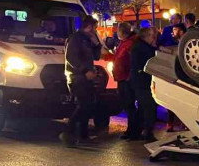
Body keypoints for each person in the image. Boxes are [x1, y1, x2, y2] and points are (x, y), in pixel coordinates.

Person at [60, 15, 102, 146]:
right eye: (95, 28)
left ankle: (83, 135)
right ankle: (68, 133)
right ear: (89, 27)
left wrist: (97, 44)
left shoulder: (87, 40)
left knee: (88, 105)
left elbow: (96, 57)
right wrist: (85, 71)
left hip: (86, 77)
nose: (96, 30)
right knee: (84, 105)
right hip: (77, 77)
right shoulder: (75, 39)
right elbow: (71, 58)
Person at [106, 22, 142, 140]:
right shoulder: (125, 43)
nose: (116, 33)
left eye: (117, 31)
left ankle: (134, 131)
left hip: (127, 80)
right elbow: (118, 58)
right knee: (128, 106)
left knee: (129, 106)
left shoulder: (130, 43)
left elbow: (132, 62)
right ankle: (131, 130)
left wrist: (128, 77)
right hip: (123, 79)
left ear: (122, 32)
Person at [130, 28, 160, 143]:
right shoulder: (142, 48)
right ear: (146, 36)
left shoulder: (141, 47)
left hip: (141, 82)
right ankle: (147, 132)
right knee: (149, 107)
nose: (154, 38)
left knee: (143, 108)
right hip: (143, 82)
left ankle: (137, 131)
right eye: (152, 36)